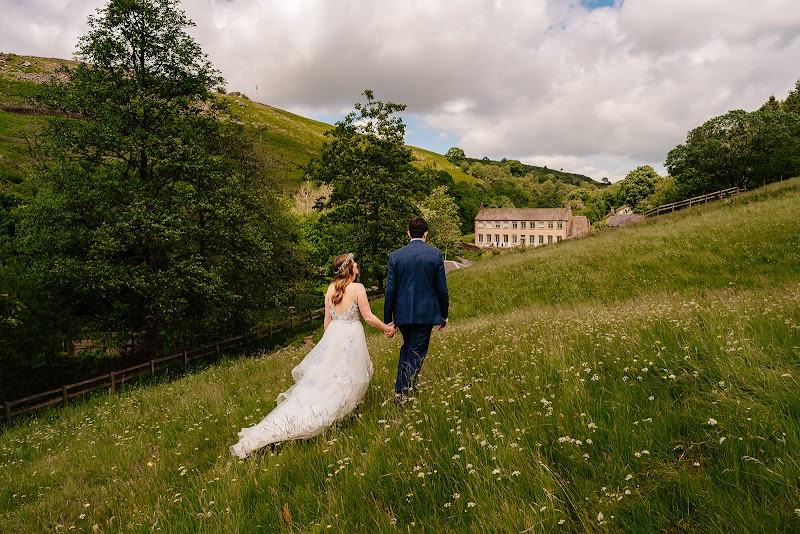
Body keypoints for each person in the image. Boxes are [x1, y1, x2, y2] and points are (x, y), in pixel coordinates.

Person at [230, 253, 394, 458]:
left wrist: (327, 345)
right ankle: (334, 415)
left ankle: (326, 415)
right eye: (354, 263)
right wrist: (386, 328)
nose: (357, 265)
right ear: (349, 268)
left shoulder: (330, 289)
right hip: (350, 337)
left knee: (328, 380)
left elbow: (327, 319)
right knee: (347, 378)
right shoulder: (358, 288)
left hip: (334, 336)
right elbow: (368, 317)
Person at [384, 216, 449, 404]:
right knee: (416, 354)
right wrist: (443, 315)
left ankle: (400, 391)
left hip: (402, 314)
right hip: (425, 314)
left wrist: (388, 319)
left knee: (407, 349)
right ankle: (405, 395)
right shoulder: (435, 254)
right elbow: (442, 289)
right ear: (426, 234)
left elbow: (390, 290)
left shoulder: (395, 256)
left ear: (408, 233)